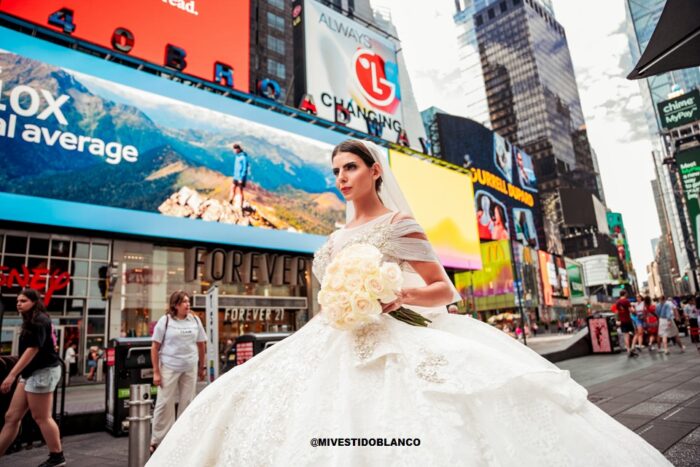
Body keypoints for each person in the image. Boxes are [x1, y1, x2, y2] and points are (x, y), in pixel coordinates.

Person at [147, 139, 670, 466]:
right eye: (336, 171)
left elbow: (446, 290)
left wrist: (395, 295)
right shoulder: (332, 238)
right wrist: (343, 302)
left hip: (393, 332)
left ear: (375, 171)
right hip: (329, 340)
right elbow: (327, 300)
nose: (342, 178)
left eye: (351, 167)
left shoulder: (400, 225)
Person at [0, 288, 65, 467]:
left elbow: (33, 349)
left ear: (34, 302)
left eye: (23, 301)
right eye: (17, 301)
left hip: (42, 373)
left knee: (42, 417)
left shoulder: (38, 320)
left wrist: (11, 375)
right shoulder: (32, 319)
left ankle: (57, 457)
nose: (19, 304)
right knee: (12, 416)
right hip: (31, 373)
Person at [150, 291, 207, 453]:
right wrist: (156, 372)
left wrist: (201, 367)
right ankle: (158, 440)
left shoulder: (195, 320)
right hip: (169, 367)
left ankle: (183, 436)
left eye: (188, 302)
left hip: (189, 367)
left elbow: (201, 344)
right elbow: (154, 347)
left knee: (188, 402)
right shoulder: (165, 321)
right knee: (164, 403)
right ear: (175, 305)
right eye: (184, 302)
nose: (188, 305)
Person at [615, 290, 638, 357]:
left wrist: (617, 320)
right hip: (628, 320)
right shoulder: (626, 301)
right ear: (625, 294)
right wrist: (635, 311)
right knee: (636, 333)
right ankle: (633, 347)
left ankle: (628, 350)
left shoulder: (617, 302)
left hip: (622, 321)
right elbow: (632, 310)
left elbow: (617, 312)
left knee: (625, 336)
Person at [228, 143, 249, 208]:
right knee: (232, 188)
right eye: (234, 149)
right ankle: (230, 201)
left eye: (235, 149)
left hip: (240, 177)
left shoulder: (243, 157)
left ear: (239, 149)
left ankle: (240, 205)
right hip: (235, 176)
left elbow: (245, 168)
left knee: (240, 191)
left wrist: (241, 178)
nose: (234, 151)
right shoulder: (237, 156)